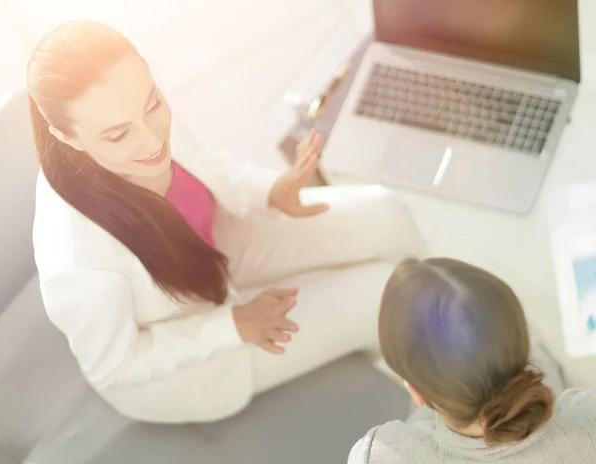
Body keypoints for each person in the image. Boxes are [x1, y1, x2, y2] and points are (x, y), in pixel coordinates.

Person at [29, 19, 423, 423]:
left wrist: (271, 191)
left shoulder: (131, 102)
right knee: (385, 295)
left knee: (387, 212)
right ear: (66, 136)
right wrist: (232, 326)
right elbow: (114, 368)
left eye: (153, 106)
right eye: (118, 136)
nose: (152, 142)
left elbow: (209, 163)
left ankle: (429, 328)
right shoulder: (77, 261)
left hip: (216, 246)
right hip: (193, 346)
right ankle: (432, 379)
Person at [349, 258, 596, 463]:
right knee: (543, 360)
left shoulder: (379, 455)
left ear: (417, 392)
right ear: (520, 340)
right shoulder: (588, 417)